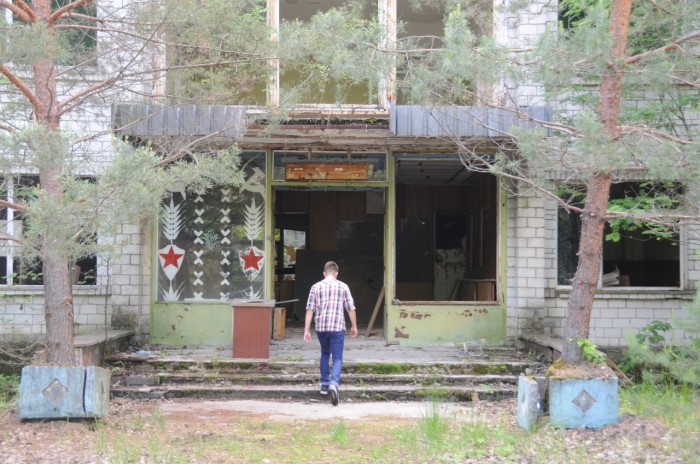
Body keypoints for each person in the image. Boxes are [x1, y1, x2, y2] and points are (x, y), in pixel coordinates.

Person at [303, 261, 358, 406]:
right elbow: (350, 308)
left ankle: (324, 385)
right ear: (336, 274)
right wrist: (354, 326)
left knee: (325, 354)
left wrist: (306, 330)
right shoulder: (343, 286)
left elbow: (310, 309)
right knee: (338, 357)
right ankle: (334, 383)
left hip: (322, 327)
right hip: (337, 326)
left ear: (324, 273)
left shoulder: (316, 287)